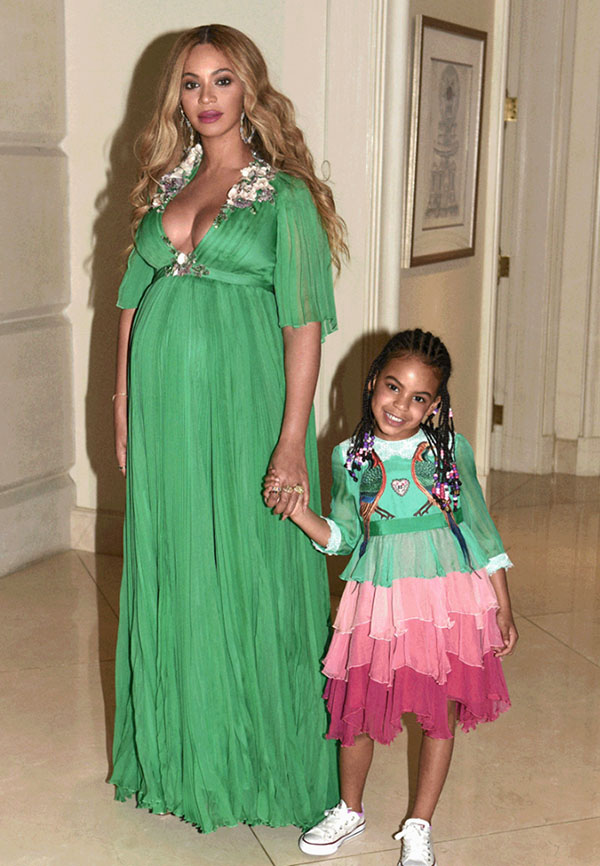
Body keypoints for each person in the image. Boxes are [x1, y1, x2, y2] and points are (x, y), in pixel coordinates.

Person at [111, 24, 346, 833]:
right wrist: (120, 401)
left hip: (246, 401)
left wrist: (291, 438)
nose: (205, 97)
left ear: (249, 90)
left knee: (252, 561)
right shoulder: (164, 184)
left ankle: (265, 761)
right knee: (178, 559)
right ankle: (184, 758)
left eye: (221, 80)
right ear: (176, 98)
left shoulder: (285, 196)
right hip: (163, 407)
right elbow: (131, 298)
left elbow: (303, 322)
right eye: (191, 83)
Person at [265, 329, 518, 866]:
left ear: (436, 405)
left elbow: (480, 529)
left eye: (419, 397)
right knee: (357, 705)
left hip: (446, 600)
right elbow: (344, 536)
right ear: (372, 383)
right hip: (378, 601)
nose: (400, 406)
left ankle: (420, 824)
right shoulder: (349, 457)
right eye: (393, 387)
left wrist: (502, 604)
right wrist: (300, 514)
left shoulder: (449, 452)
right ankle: (349, 809)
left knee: (438, 713)